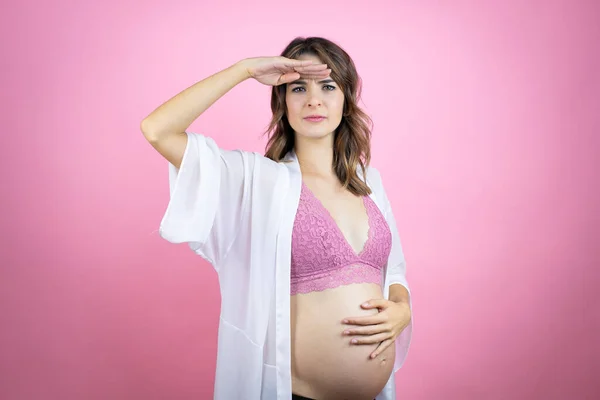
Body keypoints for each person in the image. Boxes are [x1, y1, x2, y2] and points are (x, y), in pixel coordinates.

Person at [141, 36, 413, 400]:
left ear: (346, 101)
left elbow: (394, 272)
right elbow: (157, 129)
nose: (314, 99)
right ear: (283, 103)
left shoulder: (370, 185)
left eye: (328, 86)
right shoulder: (258, 181)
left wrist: (401, 308)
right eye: (299, 87)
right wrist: (244, 70)